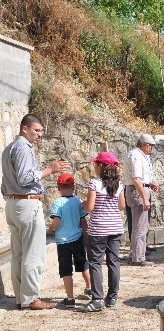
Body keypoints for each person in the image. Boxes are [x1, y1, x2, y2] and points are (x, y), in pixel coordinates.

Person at [1, 113, 70, 310]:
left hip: (13, 204)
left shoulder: (8, 149)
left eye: (41, 131)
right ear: (25, 128)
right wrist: (50, 169)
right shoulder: (23, 147)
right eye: (37, 130)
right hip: (27, 203)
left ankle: (21, 298)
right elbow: (25, 178)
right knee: (33, 253)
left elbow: (6, 183)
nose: (40, 135)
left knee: (18, 254)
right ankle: (31, 298)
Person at [79, 151, 125, 312]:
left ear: (101, 166)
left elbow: (90, 207)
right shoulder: (119, 184)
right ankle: (112, 296)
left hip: (98, 229)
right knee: (114, 262)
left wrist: (83, 204)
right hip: (116, 228)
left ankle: (97, 298)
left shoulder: (95, 184)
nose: (94, 166)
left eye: (95, 163)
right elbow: (121, 206)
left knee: (95, 263)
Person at [48, 172, 91, 307]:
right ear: (73, 187)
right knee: (83, 264)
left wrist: (52, 229)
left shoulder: (57, 203)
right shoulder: (78, 202)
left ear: (58, 188)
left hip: (63, 242)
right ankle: (90, 287)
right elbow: (83, 220)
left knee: (66, 270)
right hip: (77, 238)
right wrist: (86, 233)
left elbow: (57, 219)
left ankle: (71, 298)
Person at [123, 133, 160, 266]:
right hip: (137, 192)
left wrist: (149, 184)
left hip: (138, 190)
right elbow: (136, 179)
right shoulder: (136, 156)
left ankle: (136, 254)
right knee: (140, 226)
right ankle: (138, 258)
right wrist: (145, 198)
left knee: (139, 225)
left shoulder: (136, 155)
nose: (151, 148)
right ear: (145, 145)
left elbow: (139, 179)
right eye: (150, 146)